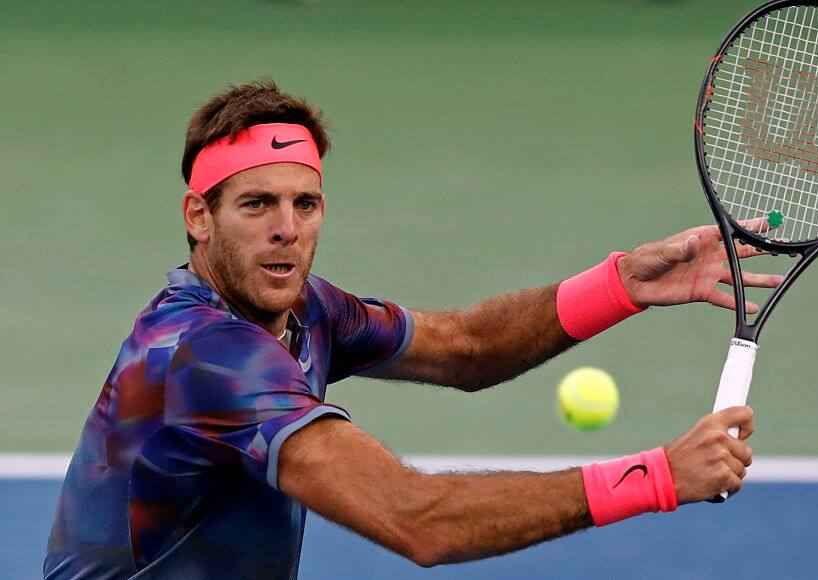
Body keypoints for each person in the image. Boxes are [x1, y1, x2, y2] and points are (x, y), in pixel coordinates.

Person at [45, 79, 780, 579]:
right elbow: (417, 519)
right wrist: (655, 477)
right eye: (257, 204)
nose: (287, 231)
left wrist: (621, 284)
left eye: (306, 204)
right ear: (198, 218)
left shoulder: (304, 310)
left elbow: (466, 347)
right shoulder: (208, 358)